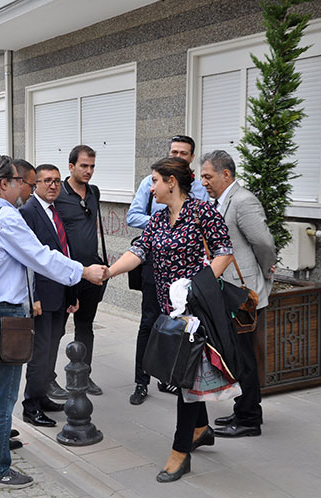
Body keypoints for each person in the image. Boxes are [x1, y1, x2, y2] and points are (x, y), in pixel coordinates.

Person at [0, 154, 106, 490]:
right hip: (3, 317)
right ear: (3, 184)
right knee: (0, 396)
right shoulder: (6, 217)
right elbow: (40, 256)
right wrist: (82, 271)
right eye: (18, 181)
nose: (21, 187)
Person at [106, 156, 234, 483]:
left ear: (171, 182)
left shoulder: (202, 212)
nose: (152, 188)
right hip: (169, 310)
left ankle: (180, 452)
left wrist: (198, 286)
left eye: (154, 181)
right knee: (183, 372)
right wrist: (108, 272)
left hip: (195, 311)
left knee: (185, 379)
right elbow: (139, 252)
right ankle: (201, 429)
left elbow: (224, 251)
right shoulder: (159, 219)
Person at [126, 135, 209, 404]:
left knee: (179, 326)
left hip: (187, 274)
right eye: (174, 151)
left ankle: (170, 376)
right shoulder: (151, 185)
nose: (177, 156)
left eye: (183, 153)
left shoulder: (198, 189)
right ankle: (141, 381)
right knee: (149, 323)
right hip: (155, 265)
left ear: (191, 157)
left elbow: (216, 238)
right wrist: (166, 224)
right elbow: (132, 216)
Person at [200, 150, 276, 438]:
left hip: (243, 294)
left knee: (244, 357)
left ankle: (249, 420)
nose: (204, 182)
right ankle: (242, 408)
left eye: (208, 176)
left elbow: (264, 242)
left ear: (226, 174)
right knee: (235, 355)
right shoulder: (219, 202)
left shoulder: (243, 201)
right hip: (228, 292)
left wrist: (266, 271)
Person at [19, 164, 79, 428]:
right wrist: (33, 297)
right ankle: (30, 406)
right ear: (35, 185)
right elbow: (27, 260)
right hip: (41, 297)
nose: (53, 185)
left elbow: (64, 254)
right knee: (40, 353)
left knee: (52, 348)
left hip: (60, 294)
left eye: (56, 181)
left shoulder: (56, 211)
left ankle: (42, 396)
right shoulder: (27, 212)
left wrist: (71, 292)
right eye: (47, 181)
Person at [53, 144, 105, 396]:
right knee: (57, 327)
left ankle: (85, 376)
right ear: (71, 166)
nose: (89, 171)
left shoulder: (94, 192)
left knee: (86, 326)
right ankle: (48, 378)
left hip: (92, 272)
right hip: (66, 273)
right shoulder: (58, 194)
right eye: (84, 166)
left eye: (92, 166)